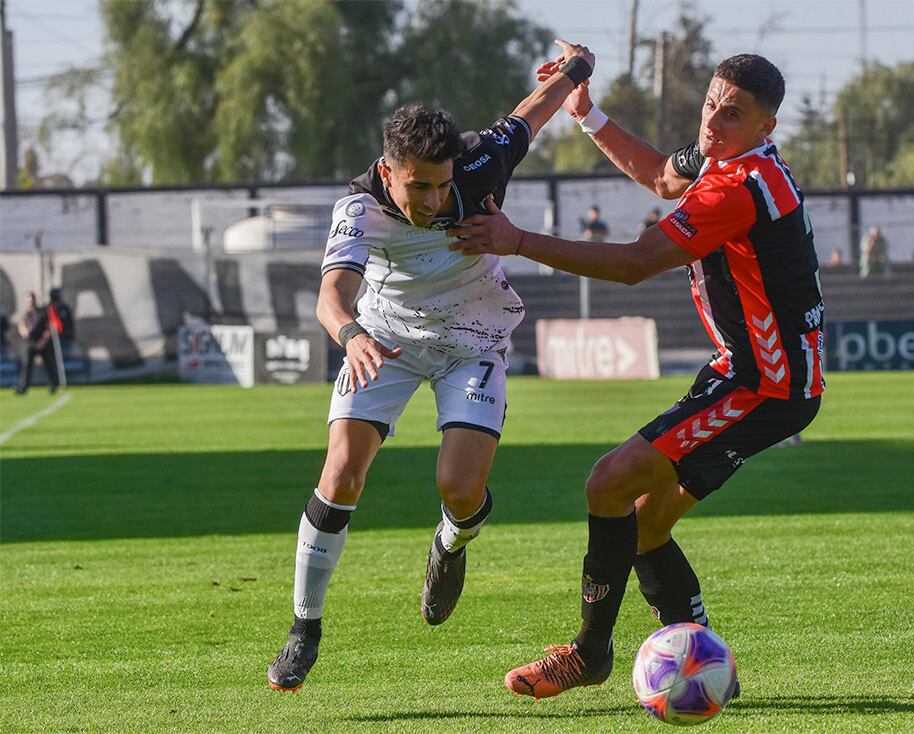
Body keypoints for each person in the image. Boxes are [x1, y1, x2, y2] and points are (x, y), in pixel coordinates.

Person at [450, 53, 824, 700]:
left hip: (765, 384)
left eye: (732, 113)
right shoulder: (728, 160)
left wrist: (517, 241)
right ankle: (708, 670)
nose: (712, 122)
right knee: (646, 525)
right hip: (754, 375)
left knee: (610, 482)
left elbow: (635, 264)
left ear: (766, 126)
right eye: (710, 103)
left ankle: (591, 654)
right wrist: (584, 112)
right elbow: (658, 173)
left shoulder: (739, 186)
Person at [265, 39, 598, 693]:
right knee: (340, 472)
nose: (435, 199)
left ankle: (451, 541)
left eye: (443, 185)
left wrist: (577, 69)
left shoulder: (481, 162)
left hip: (474, 337)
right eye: (419, 186)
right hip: (384, 339)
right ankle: (305, 627)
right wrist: (352, 334)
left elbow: (535, 108)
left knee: (460, 488)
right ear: (389, 174)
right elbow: (330, 298)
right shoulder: (359, 207)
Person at [12, 291, 59, 395]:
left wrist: (43, 340)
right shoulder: (26, 313)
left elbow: (49, 328)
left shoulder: (42, 312)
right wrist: (23, 330)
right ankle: (23, 387)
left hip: (42, 343)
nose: (30, 301)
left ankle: (54, 385)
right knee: (27, 365)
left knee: (48, 364)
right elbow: (21, 326)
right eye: (29, 299)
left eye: (32, 299)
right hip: (31, 343)